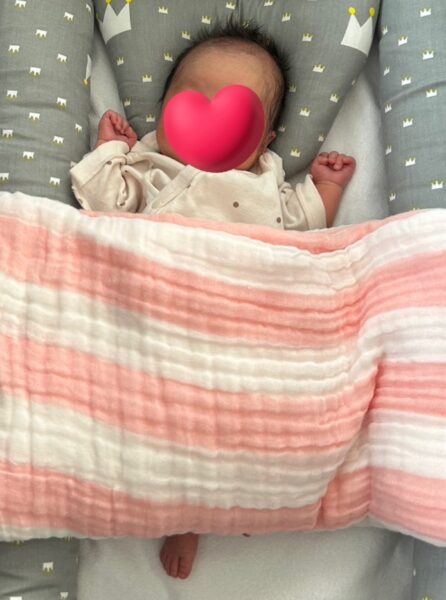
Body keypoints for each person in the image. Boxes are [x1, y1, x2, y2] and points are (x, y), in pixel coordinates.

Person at [70, 19, 356, 581]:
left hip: (240, 326)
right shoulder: (152, 170)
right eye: (190, 97)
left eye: (237, 109)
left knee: (249, 417)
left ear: (266, 139)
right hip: (158, 319)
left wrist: (328, 187)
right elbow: (102, 200)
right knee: (146, 413)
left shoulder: (266, 186)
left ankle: (216, 506)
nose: (210, 116)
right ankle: (168, 502)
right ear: (164, 111)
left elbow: (303, 223)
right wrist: (110, 151)